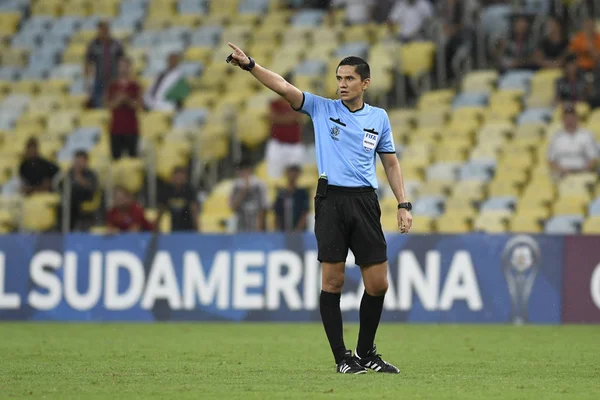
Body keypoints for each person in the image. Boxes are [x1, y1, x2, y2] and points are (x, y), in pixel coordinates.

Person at [226, 42, 412, 374]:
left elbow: (392, 164)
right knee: (333, 281)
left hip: (366, 201)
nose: (342, 84)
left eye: (349, 78)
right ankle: (343, 358)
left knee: (378, 284)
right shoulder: (321, 108)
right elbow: (283, 87)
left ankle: (366, 352)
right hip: (331, 202)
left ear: (365, 83)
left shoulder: (378, 118)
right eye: (339, 77)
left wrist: (403, 203)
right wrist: (251, 65)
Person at [265, 74, 305, 179]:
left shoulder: (299, 101)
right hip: (278, 144)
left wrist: (282, 118)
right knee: (274, 177)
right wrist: (291, 118)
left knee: (296, 178)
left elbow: (299, 118)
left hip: (294, 144)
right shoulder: (274, 103)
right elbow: (273, 119)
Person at [547, 103, 599, 180]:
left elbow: (593, 159)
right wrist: (561, 170)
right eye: (567, 117)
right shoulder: (557, 137)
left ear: (577, 118)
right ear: (563, 119)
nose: (569, 120)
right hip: (562, 174)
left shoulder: (587, 135)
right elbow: (551, 160)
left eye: (572, 117)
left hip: (583, 173)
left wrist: (582, 171)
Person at [107, 57, 142, 160]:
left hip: (131, 128)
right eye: (120, 66)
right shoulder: (112, 86)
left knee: (133, 159)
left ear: (129, 67)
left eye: (125, 66)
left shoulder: (135, 85)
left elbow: (138, 105)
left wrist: (127, 99)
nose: (123, 69)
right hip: (116, 129)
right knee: (115, 160)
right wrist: (119, 100)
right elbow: (109, 106)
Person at [84, 20, 125, 108]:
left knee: (114, 102)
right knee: (99, 103)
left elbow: (122, 61)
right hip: (99, 80)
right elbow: (88, 63)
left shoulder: (116, 44)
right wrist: (87, 81)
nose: (104, 31)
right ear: (98, 30)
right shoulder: (93, 45)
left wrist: (122, 77)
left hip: (114, 79)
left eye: (106, 29)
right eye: (102, 29)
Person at [229, 160, 269, 232]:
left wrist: (260, 227)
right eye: (242, 169)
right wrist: (243, 191)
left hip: (256, 226)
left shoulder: (259, 184)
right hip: (241, 227)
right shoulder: (235, 186)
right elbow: (232, 207)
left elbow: (264, 207)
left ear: (250, 169)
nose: (244, 172)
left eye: (245, 169)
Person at [158, 166, 199, 232]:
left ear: (185, 178)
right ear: (172, 177)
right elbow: (161, 209)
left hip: (189, 228)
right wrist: (157, 226)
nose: (179, 180)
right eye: (177, 177)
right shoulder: (167, 190)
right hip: (174, 228)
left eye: (181, 177)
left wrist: (196, 228)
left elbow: (193, 210)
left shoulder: (189, 190)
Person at [67, 150, 98, 231]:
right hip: (72, 200)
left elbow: (93, 188)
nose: (78, 164)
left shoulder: (91, 173)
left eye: (80, 161)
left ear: (86, 162)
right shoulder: (69, 173)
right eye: (76, 161)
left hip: (86, 197)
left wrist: (79, 178)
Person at [273, 165, 309, 232]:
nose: (292, 175)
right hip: (283, 233)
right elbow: (277, 214)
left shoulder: (302, 193)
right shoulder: (281, 193)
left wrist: (297, 231)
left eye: (295, 173)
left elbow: (304, 213)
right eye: (291, 172)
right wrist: (277, 231)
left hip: (298, 234)